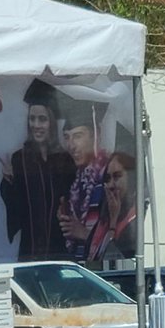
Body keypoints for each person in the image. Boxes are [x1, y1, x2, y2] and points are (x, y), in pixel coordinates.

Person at [0, 79, 74, 261]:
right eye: (32, 119)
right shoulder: (20, 159)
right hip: (30, 247)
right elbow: (16, 208)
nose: (36, 125)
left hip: (59, 246)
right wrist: (8, 182)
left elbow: (74, 201)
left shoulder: (65, 160)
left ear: (51, 122)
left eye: (42, 119)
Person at [57, 100, 109, 262]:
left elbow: (121, 239)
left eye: (78, 136)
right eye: (67, 137)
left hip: (102, 274)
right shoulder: (75, 181)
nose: (71, 145)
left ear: (96, 135)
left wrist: (83, 233)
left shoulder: (110, 177)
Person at [86, 152, 138, 262]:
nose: (110, 185)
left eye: (117, 177)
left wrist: (113, 222)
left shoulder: (136, 220)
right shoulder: (103, 218)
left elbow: (115, 257)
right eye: (107, 179)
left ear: (132, 179)